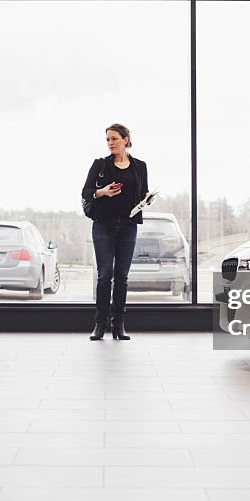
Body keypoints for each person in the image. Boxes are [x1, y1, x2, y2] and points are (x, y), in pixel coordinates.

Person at [81, 123, 149, 340]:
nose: (110, 143)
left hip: (128, 226)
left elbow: (143, 192)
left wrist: (146, 200)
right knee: (104, 276)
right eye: (108, 140)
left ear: (126, 139)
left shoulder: (140, 166)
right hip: (103, 225)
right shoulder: (100, 165)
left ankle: (118, 325)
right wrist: (102, 192)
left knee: (122, 277)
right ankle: (100, 325)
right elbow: (86, 191)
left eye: (114, 139)